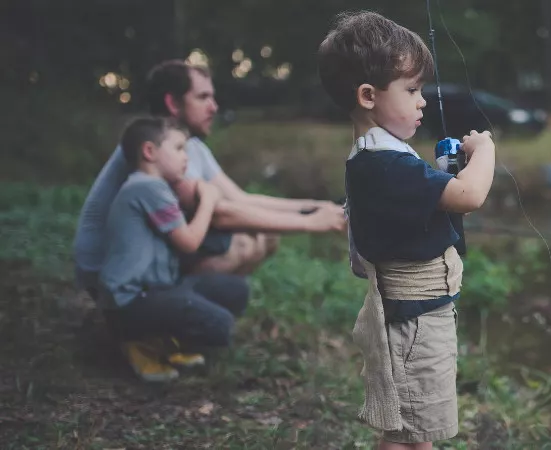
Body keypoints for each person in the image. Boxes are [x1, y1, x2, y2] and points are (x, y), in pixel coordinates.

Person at [317, 11, 496, 449]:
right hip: (415, 325)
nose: (422, 101)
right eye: (412, 90)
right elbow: (470, 197)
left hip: (418, 317)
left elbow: (436, 208)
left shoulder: (384, 155)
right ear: (367, 96)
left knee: (414, 432)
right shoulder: (384, 163)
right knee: (409, 434)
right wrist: (485, 149)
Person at [73, 59, 346, 296]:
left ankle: (196, 313)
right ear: (172, 102)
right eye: (203, 98)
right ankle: (164, 325)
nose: (214, 107)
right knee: (242, 243)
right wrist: (312, 223)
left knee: (265, 235)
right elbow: (221, 214)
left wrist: (315, 206)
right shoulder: (157, 152)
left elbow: (240, 198)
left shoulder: (190, 146)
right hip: (106, 270)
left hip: (148, 255)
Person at [97, 116, 249, 382]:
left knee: (237, 290)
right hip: (129, 303)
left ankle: (161, 338)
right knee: (219, 324)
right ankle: (139, 343)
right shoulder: (147, 187)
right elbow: (189, 241)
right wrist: (209, 200)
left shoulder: (153, 187)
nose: (186, 158)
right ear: (149, 152)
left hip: (157, 291)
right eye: (179, 149)